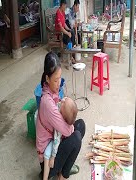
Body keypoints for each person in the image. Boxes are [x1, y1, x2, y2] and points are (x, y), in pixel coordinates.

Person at [36, 52, 85, 180]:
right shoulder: (47, 102)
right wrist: (70, 126)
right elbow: (68, 130)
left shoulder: (53, 91)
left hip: (55, 139)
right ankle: (61, 175)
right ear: (47, 78)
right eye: (55, 80)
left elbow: (65, 120)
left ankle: (63, 167)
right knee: (76, 137)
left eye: (60, 78)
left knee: (80, 124)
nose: (59, 84)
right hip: (47, 160)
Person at [43, 97, 78, 180]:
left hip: (56, 140)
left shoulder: (59, 126)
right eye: (65, 98)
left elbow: (56, 141)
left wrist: (53, 157)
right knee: (78, 134)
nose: (62, 100)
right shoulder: (61, 112)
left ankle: (46, 177)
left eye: (64, 102)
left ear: (62, 113)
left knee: (47, 154)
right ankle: (49, 175)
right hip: (58, 138)